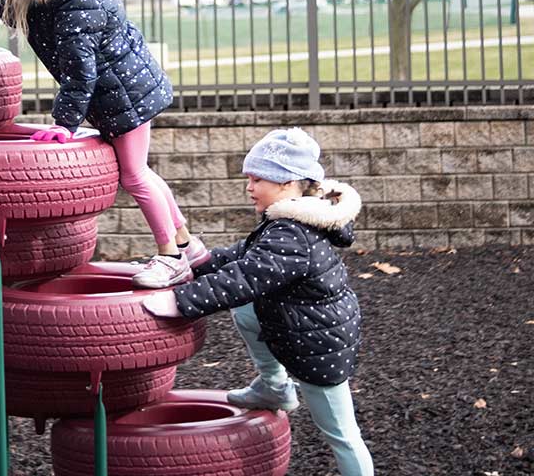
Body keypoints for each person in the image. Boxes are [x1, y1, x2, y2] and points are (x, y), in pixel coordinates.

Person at [0, 0, 205, 285]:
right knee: (141, 171)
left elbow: (81, 73)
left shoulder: (76, 0)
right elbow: (22, 11)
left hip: (124, 94)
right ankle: (188, 244)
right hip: (122, 91)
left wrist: (64, 123)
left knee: (133, 176)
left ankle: (171, 255)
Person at [143, 128, 374, 476]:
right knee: (248, 308)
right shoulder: (292, 219)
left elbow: (244, 278)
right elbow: (243, 257)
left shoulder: (293, 234)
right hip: (306, 327)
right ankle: (274, 387)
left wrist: (180, 300)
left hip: (319, 346)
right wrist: (198, 260)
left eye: (256, 179)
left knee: (342, 434)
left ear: (286, 182)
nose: (248, 187)